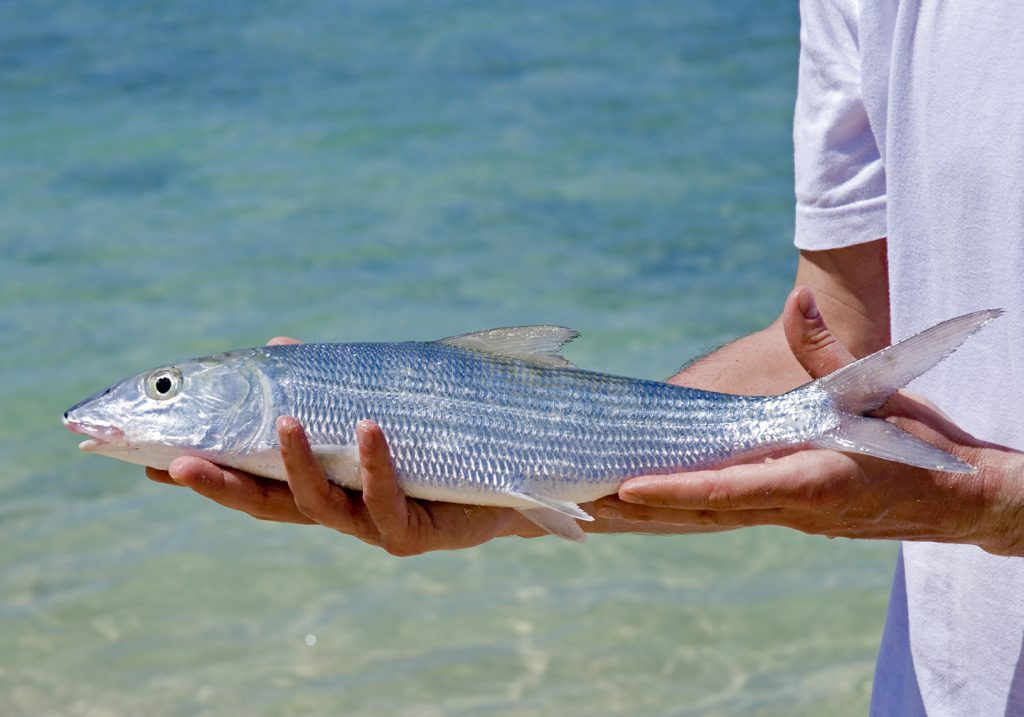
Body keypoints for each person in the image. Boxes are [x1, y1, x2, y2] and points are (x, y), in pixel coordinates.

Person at [147, 0, 1024, 712]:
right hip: (940, 681)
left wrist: (994, 505)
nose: (150, 399)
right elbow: (834, 338)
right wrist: (508, 497)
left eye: (163, 389)